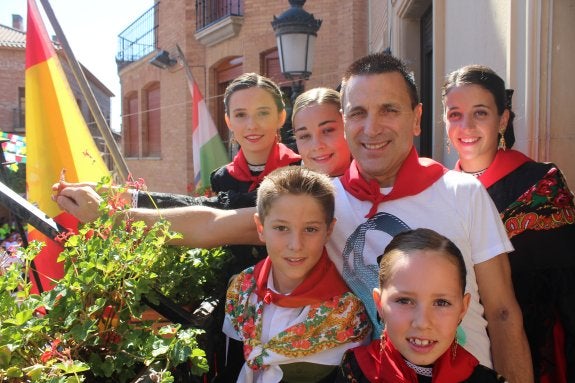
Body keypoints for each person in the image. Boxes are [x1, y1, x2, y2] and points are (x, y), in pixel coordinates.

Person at [54, 53, 532, 382]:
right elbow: (211, 224)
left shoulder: (462, 193)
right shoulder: (325, 200)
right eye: (358, 112)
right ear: (345, 120)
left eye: (389, 109)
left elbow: (505, 311)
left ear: (416, 116)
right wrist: (113, 211)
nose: (371, 127)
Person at [442, 64, 575, 382]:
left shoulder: (541, 186)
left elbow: (568, 290)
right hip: (458, 349)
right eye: (455, 114)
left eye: (480, 113)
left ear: (503, 119)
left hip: (533, 349)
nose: (467, 126)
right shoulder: (440, 191)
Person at [221, 166, 370, 382]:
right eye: (281, 228)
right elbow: (231, 364)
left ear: (329, 230)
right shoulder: (242, 290)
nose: (296, 245)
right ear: (261, 228)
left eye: (310, 229)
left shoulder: (347, 314)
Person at [335, 228, 506, 382]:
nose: (423, 322)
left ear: (462, 308)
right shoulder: (355, 372)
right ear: (379, 303)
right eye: (404, 300)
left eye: (441, 302)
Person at [292, 87, 351, 177]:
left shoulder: (378, 181)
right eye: (305, 136)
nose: (317, 146)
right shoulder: (284, 189)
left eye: (327, 130)